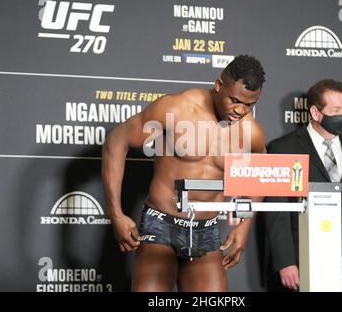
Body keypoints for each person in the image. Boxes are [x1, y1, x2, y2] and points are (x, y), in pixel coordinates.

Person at [102, 55, 266, 291]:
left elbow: (260, 174)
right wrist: (116, 213)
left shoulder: (252, 132)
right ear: (219, 86)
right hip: (161, 224)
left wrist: (243, 225)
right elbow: (117, 141)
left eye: (249, 105)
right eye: (235, 100)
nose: (240, 110)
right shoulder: (177, 108)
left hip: (206, 229)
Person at [263, 79, 342, 292]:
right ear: (315, 113)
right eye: (335, 110)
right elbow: (278, 212)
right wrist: (286, 261)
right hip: (307, 262)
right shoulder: (283, 148)